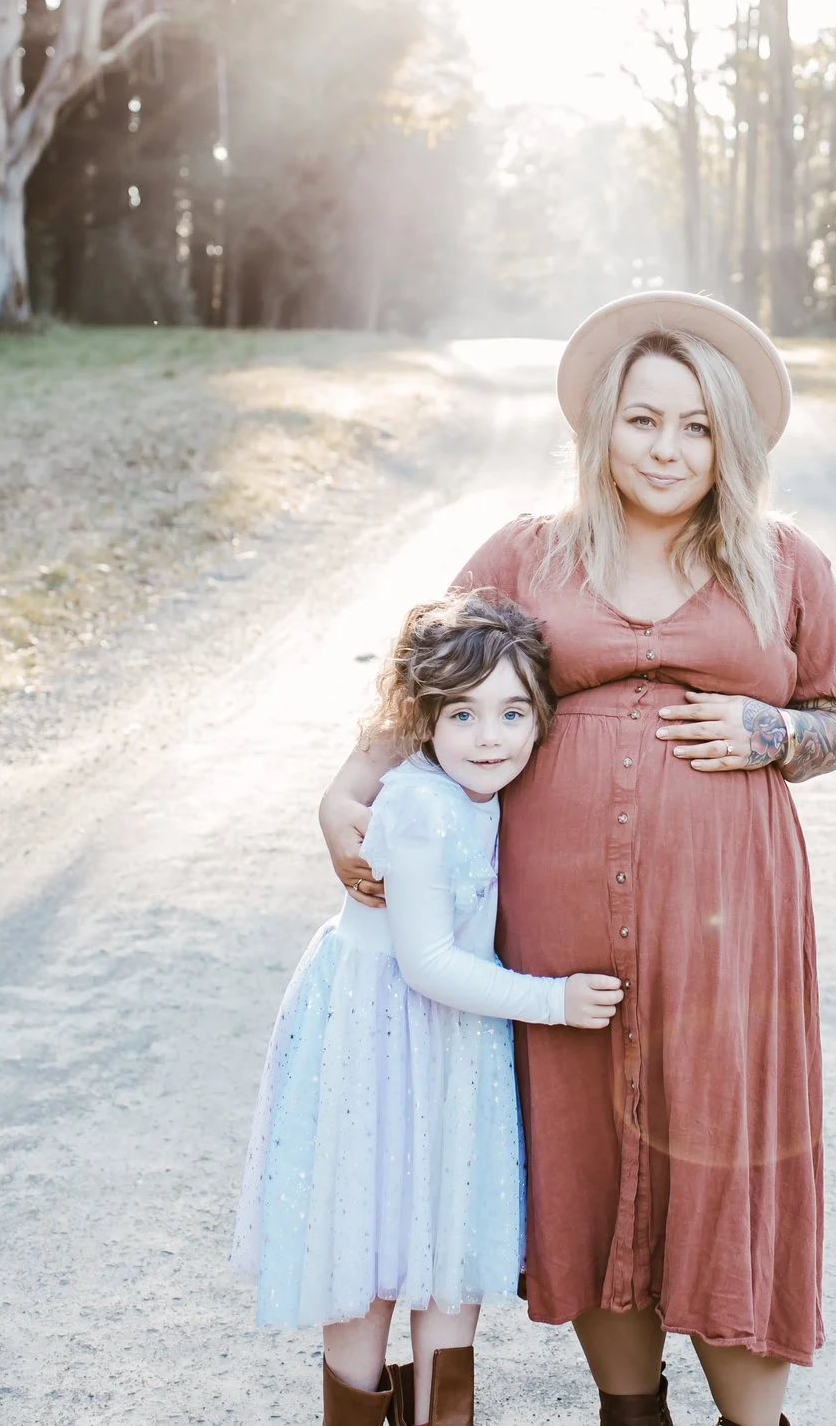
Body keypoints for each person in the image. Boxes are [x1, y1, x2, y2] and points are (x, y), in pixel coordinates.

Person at [319, 293, 836, 1426]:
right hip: (554, 915)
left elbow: (834, 722)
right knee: (588, 1145)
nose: (667, 450)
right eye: (642, 421)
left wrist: (775, 732)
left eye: (698, 427)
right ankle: (631, 1408)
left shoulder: (784, 561)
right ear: (601, 429)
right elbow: (428, 685)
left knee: (723, 1146)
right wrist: (347, 784)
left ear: (733, 441)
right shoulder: (527, 550)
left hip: (730, 922)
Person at [235, 593, 626, 1426]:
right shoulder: (416, 805)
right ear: (424, 718)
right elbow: (428, 963)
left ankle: (444, 1414)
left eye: (514, 711)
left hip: (450, 1044)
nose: (491, 736)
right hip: (380, 1035)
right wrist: (552, 1000)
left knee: (449, 1238)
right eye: (464, 712)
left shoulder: (484, 794)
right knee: (369, 1240)